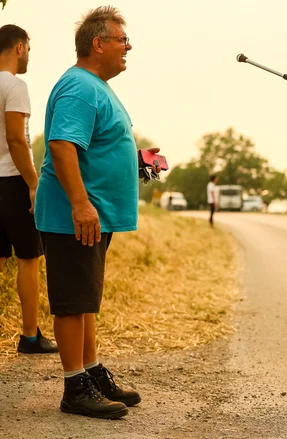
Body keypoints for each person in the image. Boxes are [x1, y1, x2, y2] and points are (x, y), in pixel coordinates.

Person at [35, 6, 160, 419]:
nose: (129, 46)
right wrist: (80, 203)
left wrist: (135, 158)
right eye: (123, 40)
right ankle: (75, 388)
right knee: (72, 301)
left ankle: (91, 370)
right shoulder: (79, 87)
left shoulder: (94, 86)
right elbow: (61, 145)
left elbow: (95, 143)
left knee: (85, 298)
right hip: (75, 215)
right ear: (98, 43)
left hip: (92, 214)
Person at [0, 24, 58, 355]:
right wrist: (34, 184)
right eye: (29, 49)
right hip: (12, 181)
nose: (29, 56)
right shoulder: (15, 85)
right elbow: (15, 138)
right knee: (28, 259)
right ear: (19, 46)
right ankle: (29, 337)